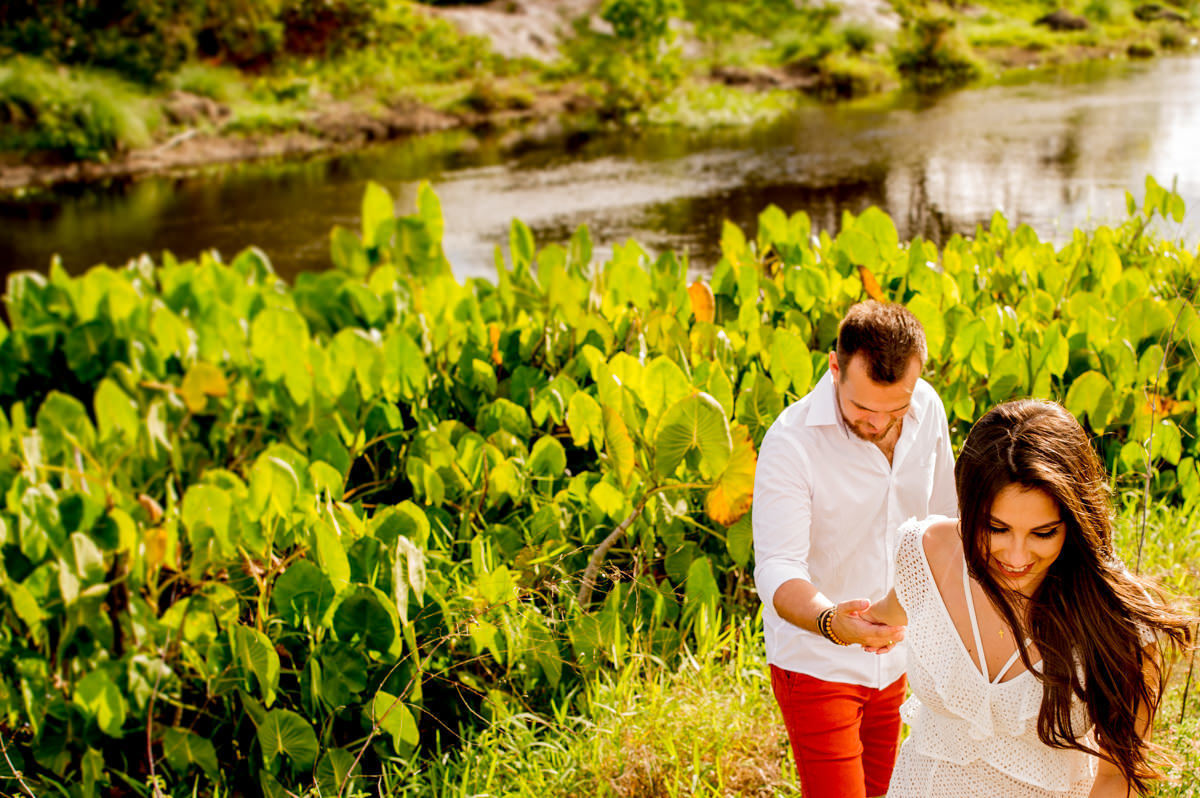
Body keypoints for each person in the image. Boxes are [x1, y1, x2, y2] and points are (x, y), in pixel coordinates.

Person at [863, 399, 1194, 796]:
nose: (1017, 557)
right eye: (996, 528)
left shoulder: (1123, 625)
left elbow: (1116, 777)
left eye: (1043, 533)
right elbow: (882, 615)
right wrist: (832, 622)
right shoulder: (924, 553)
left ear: (1074, 522)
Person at [753, 301, 958, 798]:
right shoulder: (790, 443)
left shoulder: (927, 408)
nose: (878, 423)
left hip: (899, 656)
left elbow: (946, 520)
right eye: (862, 408)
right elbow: (778, 567)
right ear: (834, 367)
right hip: (817, 661)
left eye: (895, 409)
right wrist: (833, 622)